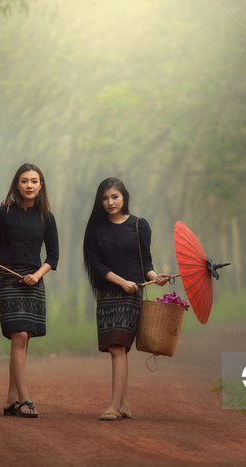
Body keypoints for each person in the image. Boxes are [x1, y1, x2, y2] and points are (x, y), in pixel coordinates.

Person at [82, 177, 169, 421]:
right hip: (108, 292)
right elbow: (95, 264)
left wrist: (155, 277)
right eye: (105, 198)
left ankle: (113, 406)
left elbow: (145, 262)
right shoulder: (95, 230)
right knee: (114, 349)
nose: (110, 202)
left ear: (124, 197)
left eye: (115, 197)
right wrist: (121, 281)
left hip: (131, 294)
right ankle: (125, 405)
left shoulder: (139, 225)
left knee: (118, 347)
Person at [0, 162, 59, 418]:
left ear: (41, 185)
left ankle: (10, 399)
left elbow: (53, 256)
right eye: (24, 181)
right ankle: (25, 399)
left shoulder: (47, 217)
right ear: (16, 184)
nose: (29, 185)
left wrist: (36, 275)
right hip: (7, 277)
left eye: (34, 181)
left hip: (34, 280)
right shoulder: (4, 213)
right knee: (20, 336)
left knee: (24, 341)